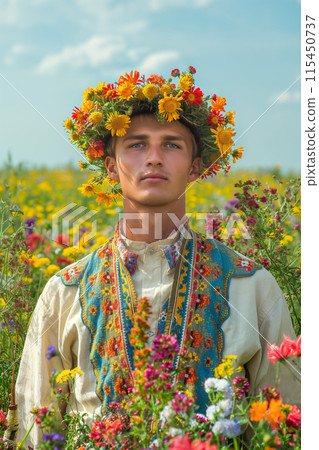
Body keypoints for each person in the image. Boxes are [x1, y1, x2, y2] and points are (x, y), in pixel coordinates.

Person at [16, 67, 300, 446]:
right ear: (111, 168)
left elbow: (285, 425)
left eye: (171, 144)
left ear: (196, 167)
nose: (153, 158)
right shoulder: (64, 292)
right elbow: (36, 425)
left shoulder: (252, 285)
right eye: (135, 145)